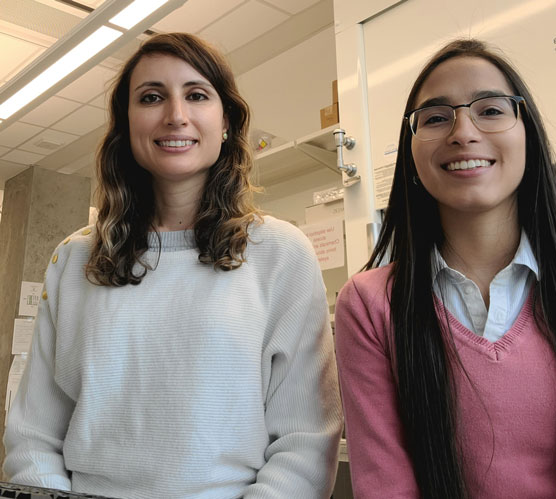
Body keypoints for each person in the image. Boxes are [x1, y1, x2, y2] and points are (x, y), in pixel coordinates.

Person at [334, 39, 556, 498]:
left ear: (528, 136)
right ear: (412, 156)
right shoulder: (371, 304)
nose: (463, 132)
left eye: (491, 110)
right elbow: (386, 487)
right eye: (436, 118)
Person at [4, 33, 343, 499]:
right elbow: (33, 435)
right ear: (126, 125)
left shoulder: (281, 253)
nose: (176, 115)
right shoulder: (74, 259)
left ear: (226, 122)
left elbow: (305, 440)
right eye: (151, 97)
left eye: (197, 95)